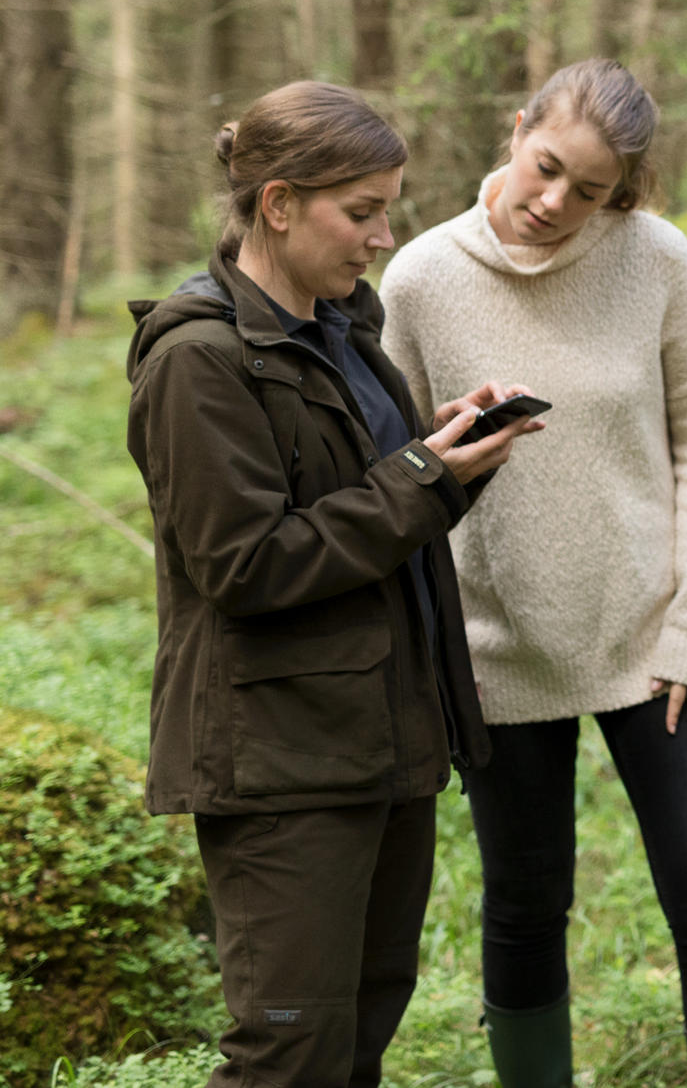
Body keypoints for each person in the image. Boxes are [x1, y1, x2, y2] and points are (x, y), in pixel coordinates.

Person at [126, 82, 537, 1088]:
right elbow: (247, 563)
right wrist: (422, 476)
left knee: (357, 1037)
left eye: (387, 208)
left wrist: (443, 455)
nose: (382, 235)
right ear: (276, 203)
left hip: (383, 741)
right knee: (288, 1052)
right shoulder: (198, 361)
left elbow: (366, 518)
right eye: (360, 210)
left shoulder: (344, 327)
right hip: (281, 765)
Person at [379, 59, 687, 1088]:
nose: (554, 202)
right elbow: (394, 474)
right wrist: (453, 444)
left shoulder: (655, 259)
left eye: (588, 190)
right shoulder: (419, 276)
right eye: (546, 167)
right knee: (521, 897)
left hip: (656, 641)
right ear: (517, 130)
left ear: (620, 194)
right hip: (496, 643)